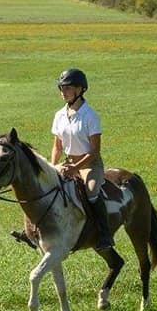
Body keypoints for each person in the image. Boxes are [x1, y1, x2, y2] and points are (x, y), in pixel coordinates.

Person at [51, 68, 114, 251]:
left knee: (92, 191)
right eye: (61, 88)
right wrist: (53, 166)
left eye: (68, 88)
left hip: (89, 164)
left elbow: (95, 151)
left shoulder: (90, 116)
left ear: (80, 90)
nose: (63, 92)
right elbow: (57, 146)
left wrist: (75, 168)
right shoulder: (59, 115)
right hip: (68, 162)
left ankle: (104, 234)